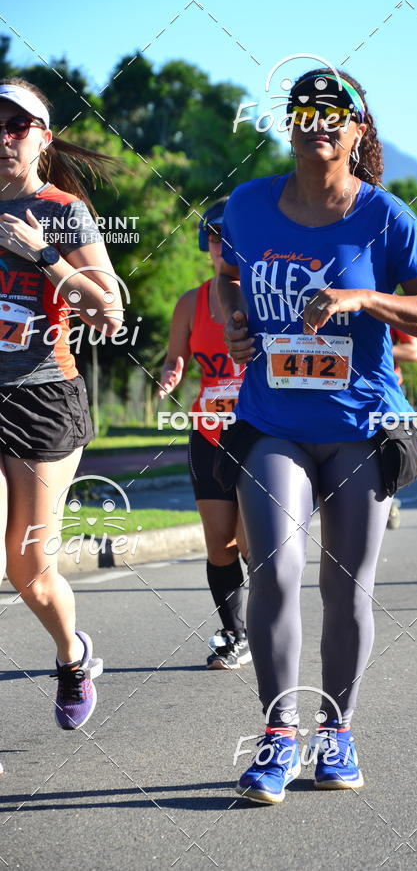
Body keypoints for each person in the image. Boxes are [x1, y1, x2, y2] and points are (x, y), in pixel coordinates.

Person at [215, 68, 417, 803]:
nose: (317, 120)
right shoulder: (248, 204)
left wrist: (363, 296)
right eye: (304, 109)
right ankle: (277, 735)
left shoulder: (385, 218)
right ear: (287, 124)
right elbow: (229, 273)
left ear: (358, 132)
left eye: (334, 112)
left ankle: (338, 733)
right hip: (274, 422)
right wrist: (235, 317)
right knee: (276, 572)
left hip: (359, 427)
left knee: (347, 588)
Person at [0, 78, 122, 729]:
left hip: (43, 399)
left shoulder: (62, 212)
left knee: (30, 570)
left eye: (16, 126)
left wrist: (43, 256)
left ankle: (72, 656)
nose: (2, 138)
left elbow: (110, 311)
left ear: (42, 139)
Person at [158, 198, 251, 670]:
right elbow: (177, 357)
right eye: (215, 237)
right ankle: (234, 635)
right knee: (220, 543)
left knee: (254, 541)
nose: (222, 246)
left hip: (258, 435)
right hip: (209, 433)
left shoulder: (261, 297)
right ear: (206, 244)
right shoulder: (190, 303)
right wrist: (170, 374)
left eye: (231, 238)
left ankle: (271, 625)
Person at [387, 328, 417, 529]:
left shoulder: (383, 298)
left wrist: (365, 347)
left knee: (385, 451)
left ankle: (387, 500)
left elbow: (413, 350)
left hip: (381, 390)